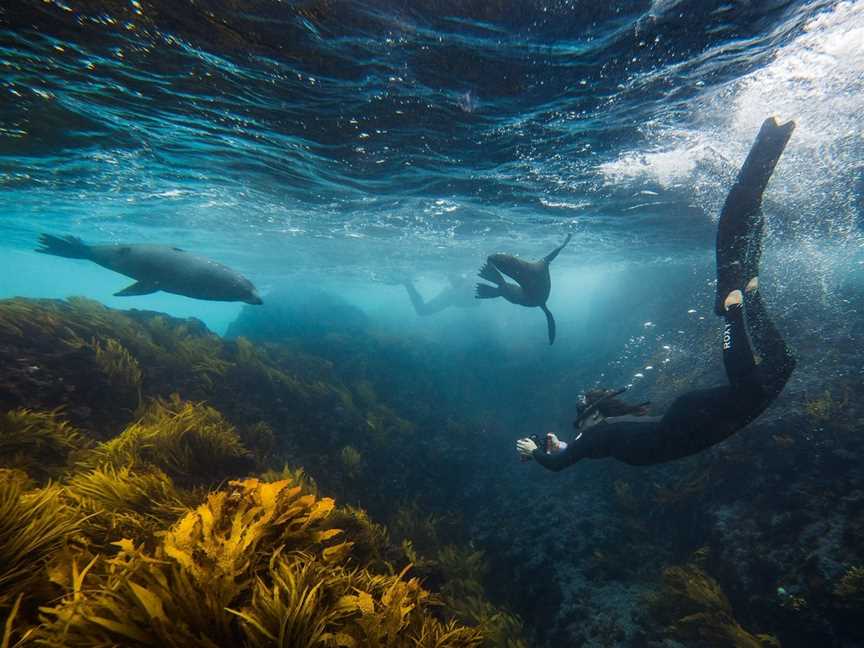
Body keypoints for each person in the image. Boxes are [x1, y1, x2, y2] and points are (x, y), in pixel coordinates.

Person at [517, 116, 797, 469]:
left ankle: (734, 307)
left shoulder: (599, 437)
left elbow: (564, 460)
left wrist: (537, 453)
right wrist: (548, 449)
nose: (577, 425)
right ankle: (748, 300)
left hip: (694, 420)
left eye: (579, 420)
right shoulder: (600, 436)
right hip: (690, 419)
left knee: (757, 386)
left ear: (592, 418)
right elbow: (571, 451)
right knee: (780, 365)